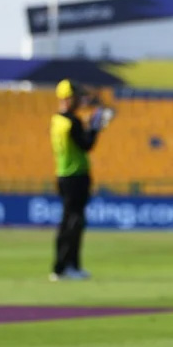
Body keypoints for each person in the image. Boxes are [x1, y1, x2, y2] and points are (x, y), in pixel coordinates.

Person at [49, 80, 112, 281]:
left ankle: (62, 266)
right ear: (68, 99)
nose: (79, 101)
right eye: (76, 97)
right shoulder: (72, 122)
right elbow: (86, 145)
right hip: (76, 175)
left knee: (67, 222)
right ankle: (68, 266)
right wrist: (95, 127)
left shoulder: (56, 121)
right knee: (74, 222)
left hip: (62, 174)